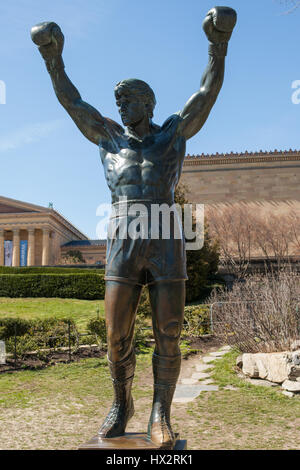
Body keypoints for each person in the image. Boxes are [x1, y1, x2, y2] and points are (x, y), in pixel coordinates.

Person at [31, 6, 236, 447]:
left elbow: (206, 93)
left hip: (165, 232)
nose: (121, 105)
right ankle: (121, 405)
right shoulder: (108, 138)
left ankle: (160, 413)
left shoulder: (172, 135)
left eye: (129, 99)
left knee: (169, 329)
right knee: (115, 332)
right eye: (118, 100)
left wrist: (217, 45)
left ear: (149, 103)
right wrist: (54, 59)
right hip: (123, 233)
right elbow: (72, 101)